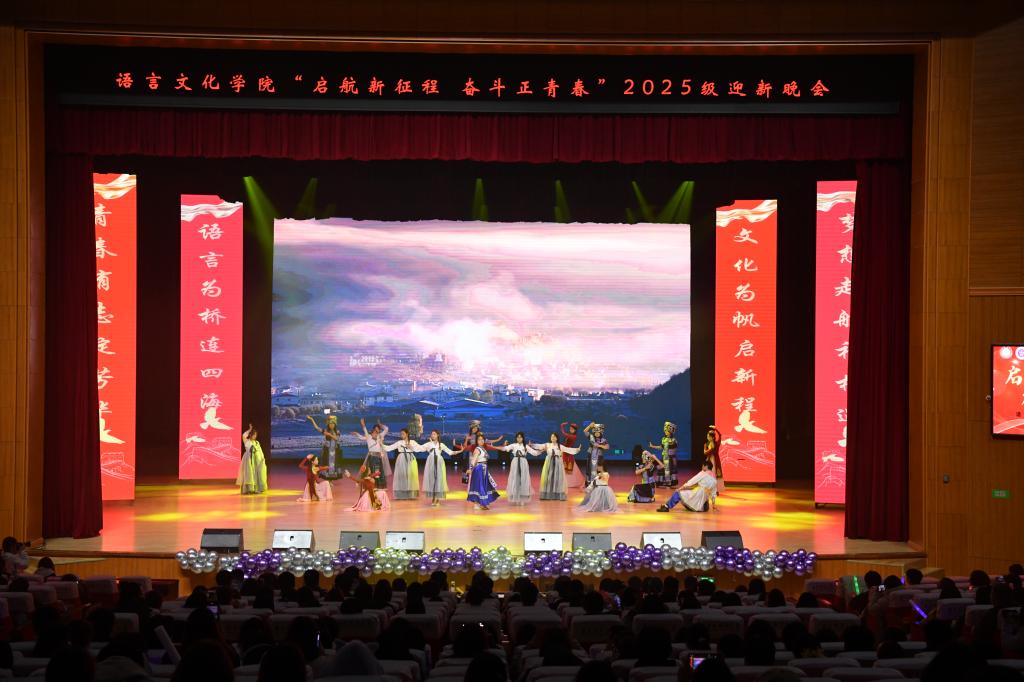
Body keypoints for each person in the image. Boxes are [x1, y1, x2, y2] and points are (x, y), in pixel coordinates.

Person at [529, 431, 581, 501]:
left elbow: (568, 450)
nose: (553, 438)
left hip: (557, 463)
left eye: (554, 437)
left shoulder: (559, 446)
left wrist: (577, 450)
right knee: (549, 478)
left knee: (557, 478)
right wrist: (532, 445)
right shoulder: (547, 445)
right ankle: (548, 494)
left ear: (557, 438)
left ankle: (557, 494)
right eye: (552, 437)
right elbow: (539, 446)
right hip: (549, 463)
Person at [421, 429, 462, 506]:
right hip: (430, 462)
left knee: (439, 479)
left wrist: (459, 451)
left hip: (439, 462)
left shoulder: (441, 445)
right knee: (432, 479)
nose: (432, 435)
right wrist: (411, 446)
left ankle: (437, 498)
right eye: (432, 434)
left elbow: (450, 452)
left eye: (434, 434)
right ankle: (433, 497)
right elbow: (419, 448)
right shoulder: (428, 444)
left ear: (438, 435)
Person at [497, 431, 539, 505]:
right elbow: (505, 448)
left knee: (523, 480)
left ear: (523, 438)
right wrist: (497, 447)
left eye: (521, 437)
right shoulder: (513, 445)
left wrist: (542, 450)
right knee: (515, 479)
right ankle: (516, 498)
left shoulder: (525, 446)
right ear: (516, 438)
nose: (519, 439)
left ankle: (522, 498)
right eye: (518, 437)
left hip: (523, 463)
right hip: (515, 463)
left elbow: (534, 453)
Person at [351, 418, 392, 489]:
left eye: (378, 429)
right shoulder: (369, 437)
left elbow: (386, 429)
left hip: (379, 457)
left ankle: (378, 486)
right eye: (375, 429)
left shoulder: (380, 436)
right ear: (373, 430)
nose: (376, 431)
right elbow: (362, 437)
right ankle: (371, 485)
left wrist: (380, 424)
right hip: (372, 457)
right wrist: (360, 430)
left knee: (378, 472)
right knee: (371, 471)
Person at [385, 428, 421, 500]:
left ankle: (411, 494)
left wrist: (411, 447)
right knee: (402, 476)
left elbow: (419, 449)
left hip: (410, 459)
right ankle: (402, 494)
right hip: (401, 459)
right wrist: (380, 444)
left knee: (411, 475)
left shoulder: (412, 442)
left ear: (407, 434)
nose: (401, 435)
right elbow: (389, 448)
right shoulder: (399, 442)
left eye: (403, 434)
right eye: (401, 434)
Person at [467, 433, 500, 510]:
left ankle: (481, 503)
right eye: (479, 439)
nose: (481, 441)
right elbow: (474, 460)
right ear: (477, 441)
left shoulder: (483, 449)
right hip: (479, 469)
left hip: (484, 468)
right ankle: (478, 504)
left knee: (484, 485)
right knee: (479, 486)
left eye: (482, 439)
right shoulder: (477, 449)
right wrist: (470, 468)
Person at [238, 423, 268, 494]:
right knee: (249, 474)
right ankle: (248, 489)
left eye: (255, 435)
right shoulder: (247, 441)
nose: (255, 436)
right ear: (250, 435)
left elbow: (260, 451)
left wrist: (262, 459)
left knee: (256, 473)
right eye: (254, 434)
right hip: (248, 459)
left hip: (256, 460)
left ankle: (256, 489)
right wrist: (249, 429)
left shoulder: (257, 442)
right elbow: (244, 435)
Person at [648, 421, 680, 487]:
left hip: (671, 457)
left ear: (670, 431)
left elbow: (674, 449)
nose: (665, 432)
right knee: (661, 469)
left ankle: (671, 483)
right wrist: (652, 446)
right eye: (665, 430)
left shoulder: (673, 440)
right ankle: (661, 482)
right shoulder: (664, 439)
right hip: (664, 457)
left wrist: (671, 455)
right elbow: (661, 447)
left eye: (667, 431)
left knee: (670, 470)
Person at [560, 421, 586, 489]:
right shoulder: (570, 435)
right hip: (565, 452)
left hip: (568, 453)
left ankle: (571, 482)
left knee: (568, 466)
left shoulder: (573, 436)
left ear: (575, 430)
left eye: (572, 429)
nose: (570, 430)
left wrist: (562, 426)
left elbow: (563, 433)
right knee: (563, 466)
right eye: (570, 428)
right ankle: (563, 482)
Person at [703, 424, 724, 493]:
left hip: (715, 461)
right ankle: (709, 489)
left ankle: (716, 490)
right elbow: (705, 452)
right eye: (707, 436)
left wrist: (716, 429)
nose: (707, 437)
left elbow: (720, 435)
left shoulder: (716, 444)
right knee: (708, 475)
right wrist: (710, 449)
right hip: (709, 461)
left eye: (708, 436)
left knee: (715, 475)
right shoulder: (706, 444)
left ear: (712, 437)